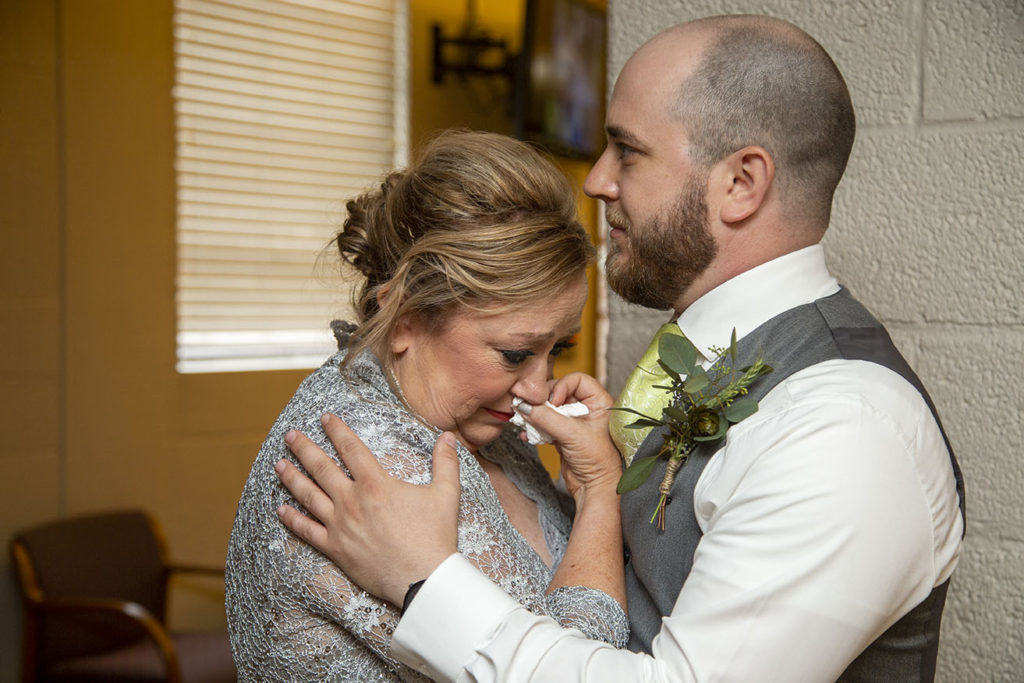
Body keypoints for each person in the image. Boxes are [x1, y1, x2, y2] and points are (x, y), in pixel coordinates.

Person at [274, 15, 966, 682]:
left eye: (627, 151)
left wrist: (428, 582)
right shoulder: (706, 356)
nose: (596, 179)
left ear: (741, 184)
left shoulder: (844, 426)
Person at [224, 130, 630, 682]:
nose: (538, 388)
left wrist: (577, 490)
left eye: (556, 349)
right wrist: (603, 493)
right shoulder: (374, 465)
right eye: (514, 354)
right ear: (405, 317)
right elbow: (574, 667)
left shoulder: (472, 419)